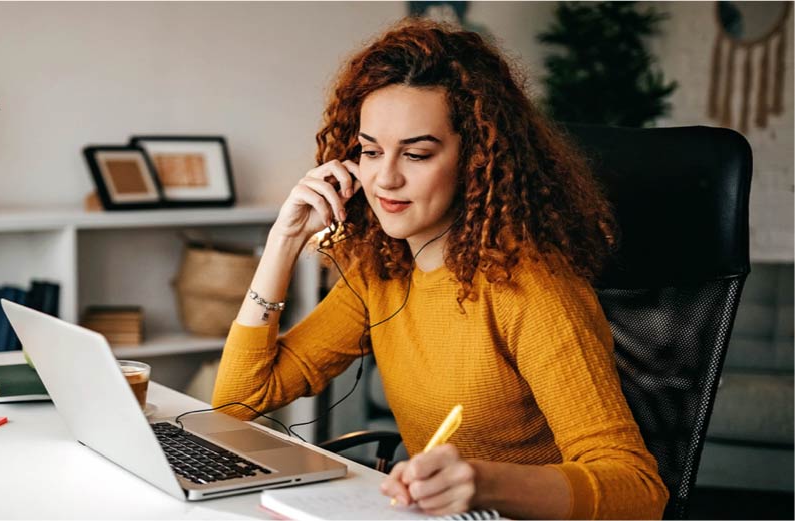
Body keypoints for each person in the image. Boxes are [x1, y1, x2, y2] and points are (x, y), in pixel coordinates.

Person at [211, 19, 669, 519]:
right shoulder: (379, 271)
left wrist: (482, 482)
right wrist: (285, 240)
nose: (385, 178)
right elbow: (238, 403)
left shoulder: (533, 290)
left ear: (474, 160)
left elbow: (639, 491)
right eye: (369, 151)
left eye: (417, 153)